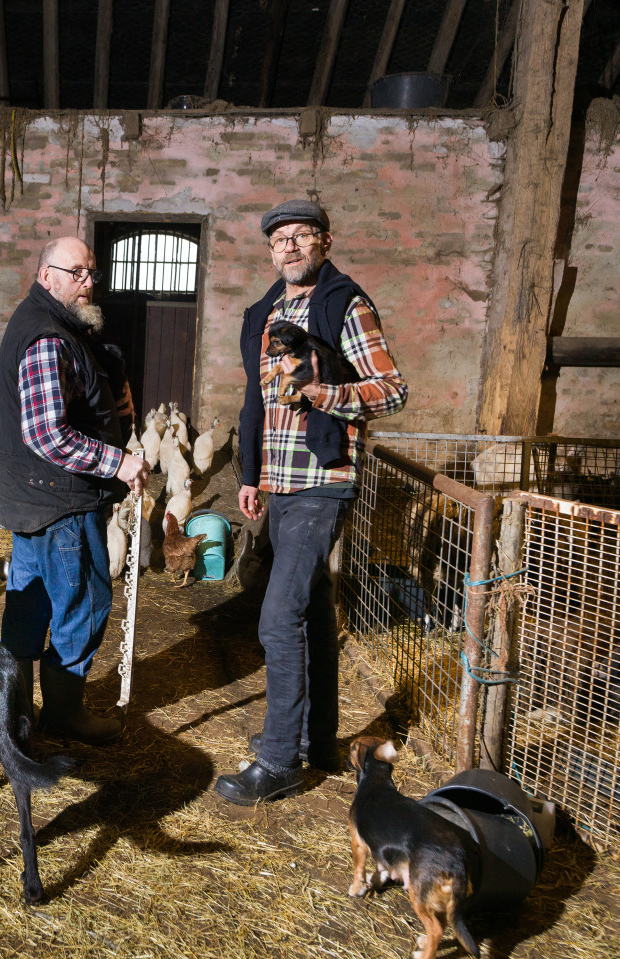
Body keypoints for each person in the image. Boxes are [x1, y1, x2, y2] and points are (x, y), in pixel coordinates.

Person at [215, 199, 407, 805]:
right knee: (315, 613)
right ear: (270, 250)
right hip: (280, 484)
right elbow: (256, 400)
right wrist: (250, 474)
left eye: (302, 237)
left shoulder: (344, 304)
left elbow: (393, 390)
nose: (289, 248)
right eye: (279, 240)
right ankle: (317, 741)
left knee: (277, 618)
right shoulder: (264, 312)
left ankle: (278, 763)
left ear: (324, 242)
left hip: (324, 481)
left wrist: (325, 394)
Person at [0, 235, 150, 745]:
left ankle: (14, 715)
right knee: (81, 604)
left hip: (36, 500)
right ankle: (61, 713)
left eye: (91, 273)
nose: (87, 283)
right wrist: (118, 462)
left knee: (28, 603)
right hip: (61, 503)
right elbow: (46, 435)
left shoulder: (54, 324)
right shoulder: (46, 337)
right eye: (76, 272)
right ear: (47, 276)